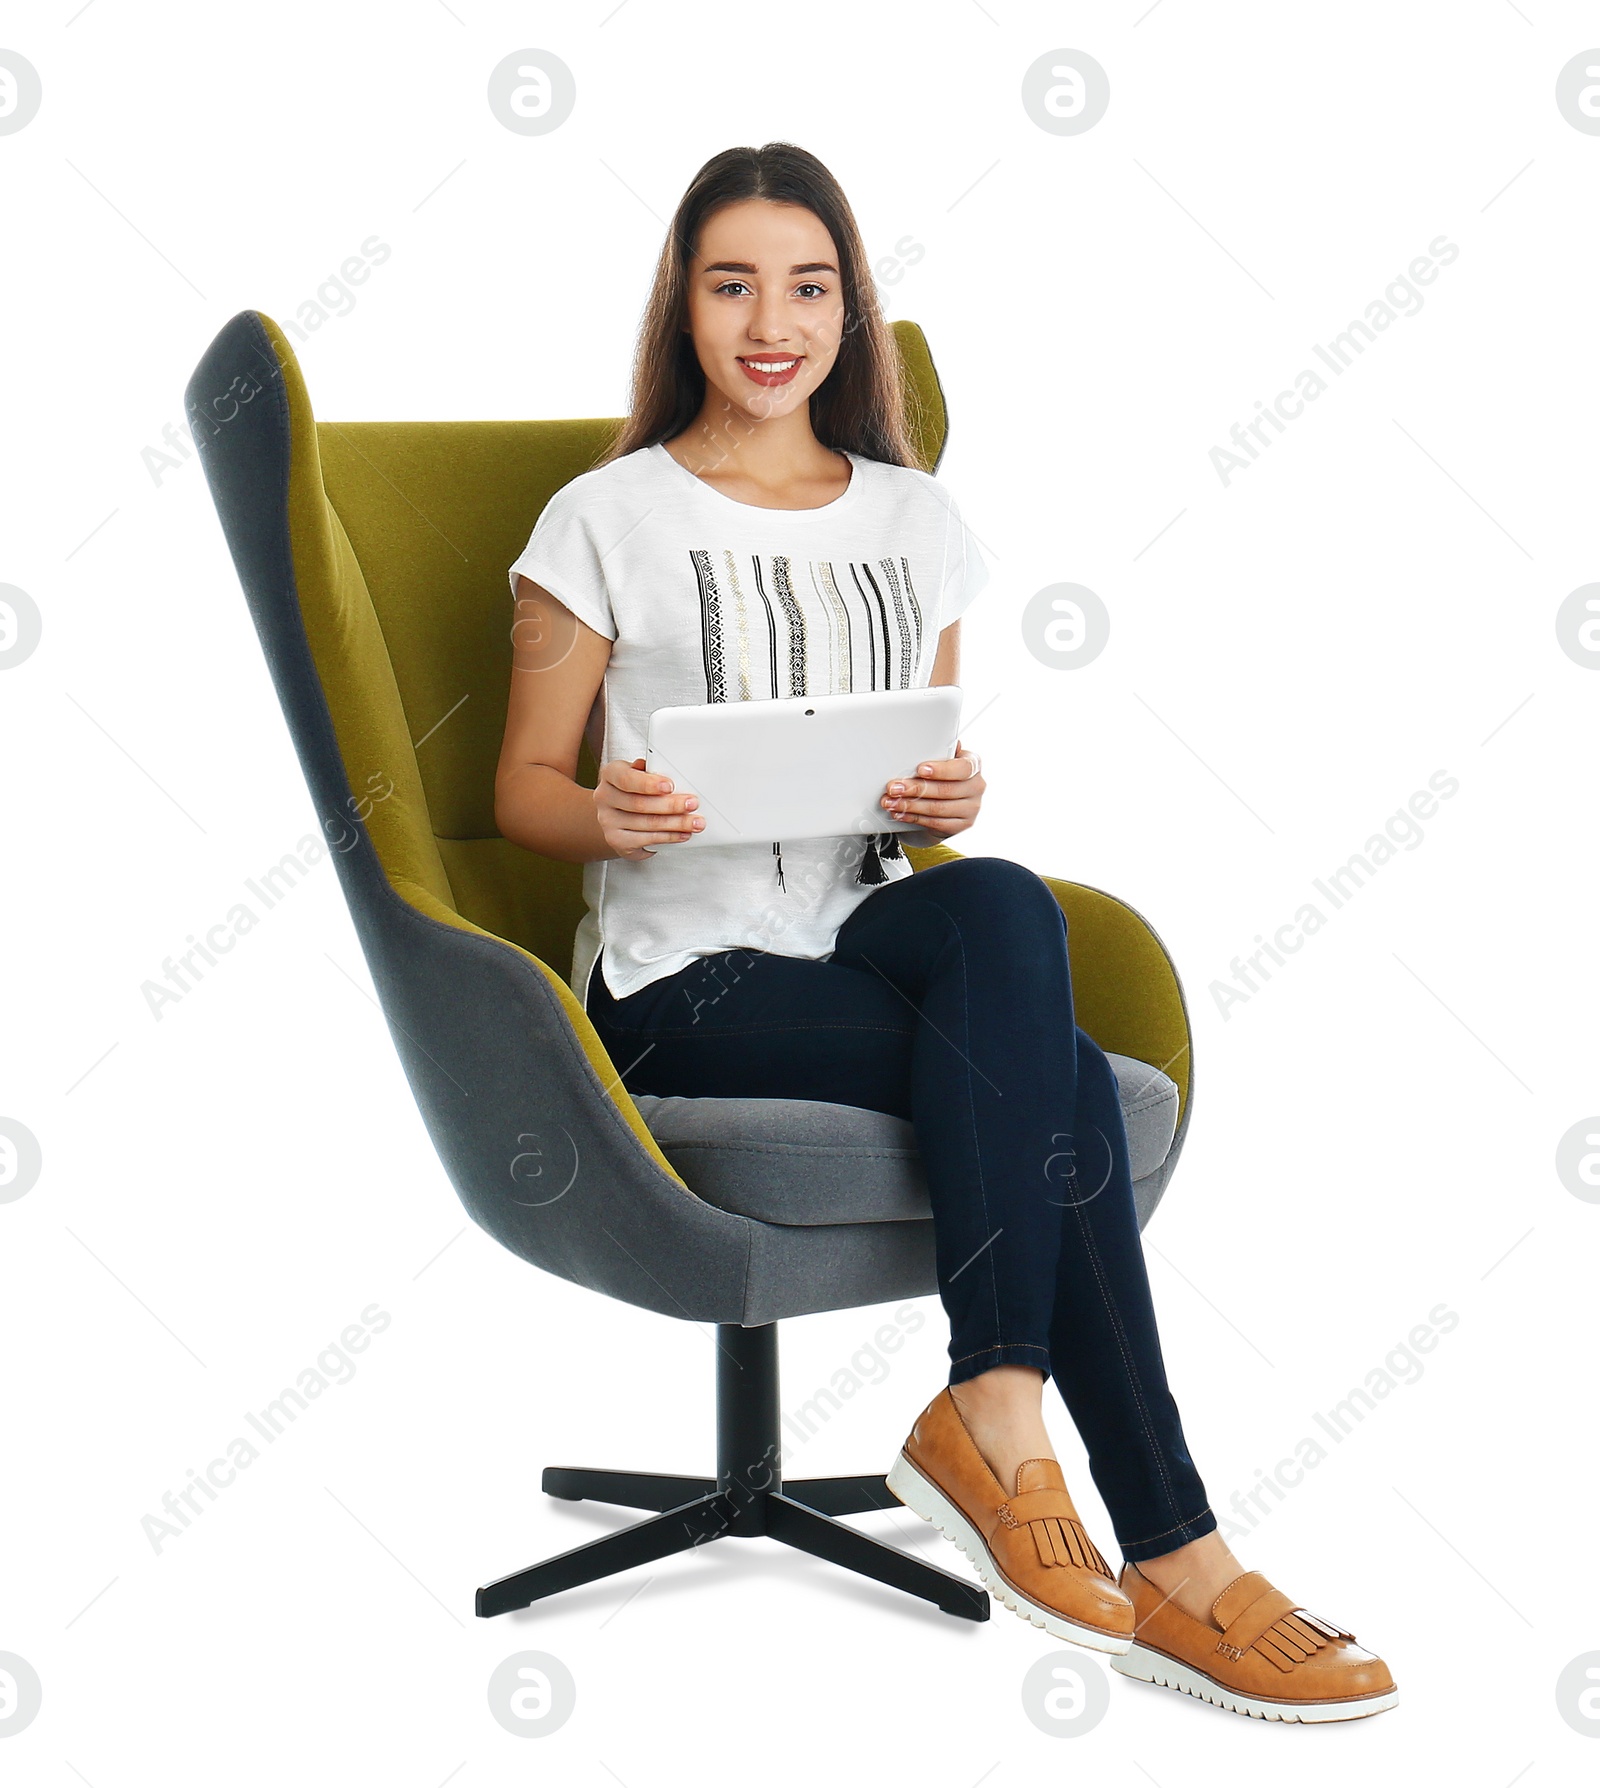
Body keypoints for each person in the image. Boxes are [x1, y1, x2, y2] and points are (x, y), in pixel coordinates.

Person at [494, 141, 1395, 1723]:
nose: (771, 321)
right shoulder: (601, 516)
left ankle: (995, 1409)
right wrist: (607, 811)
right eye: (731, 285)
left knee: (994, 894)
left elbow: (913, 821)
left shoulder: (917, 521)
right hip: (679, 981)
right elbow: (518, 793)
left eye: (808, 285)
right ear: (683, 308)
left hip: (854, 930)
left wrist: (942, 793)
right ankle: (1174, 1554)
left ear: (851, 311)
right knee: (1056, 1080)